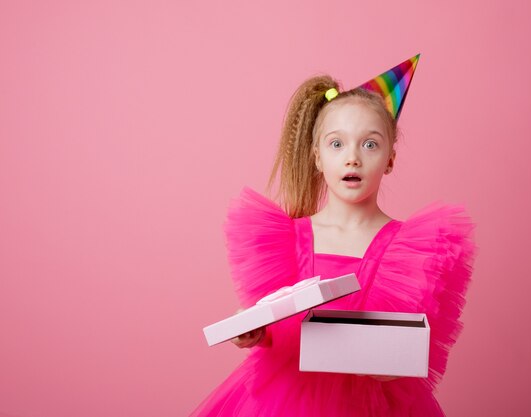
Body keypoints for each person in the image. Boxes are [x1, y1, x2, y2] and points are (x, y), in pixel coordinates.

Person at [190, 55, 477, 416]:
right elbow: (277, 326)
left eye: (369, 144)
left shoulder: (412, 250)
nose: (352, 158)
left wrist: (386, 363)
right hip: (285, 399)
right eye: (337, 144)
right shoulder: (285, 240)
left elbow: (405, 352)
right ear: (317, 157)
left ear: (390, 159)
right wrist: (255, 331)